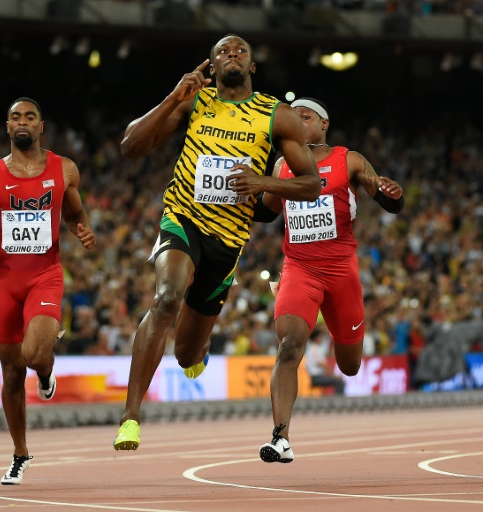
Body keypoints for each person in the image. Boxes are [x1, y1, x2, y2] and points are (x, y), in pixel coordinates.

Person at [113, 34, 321, 451]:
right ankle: (130, 417)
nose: (232, 55)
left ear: (252, 66)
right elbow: (130, 147)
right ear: (211, 64)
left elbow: (312, 183)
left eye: (240, 50)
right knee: (167, 297)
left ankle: (200, 346)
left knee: (187, 355)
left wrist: (262, 181)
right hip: (183, 218)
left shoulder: (276, 115)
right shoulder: (194, 101)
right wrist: (173, 98)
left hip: (228, 240)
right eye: (223, 51)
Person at [257, 96, 404, 463]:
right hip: (299, 268)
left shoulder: (348, 159)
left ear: (324, 123)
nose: (297, 122)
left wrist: (393, 197)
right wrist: (243, 191)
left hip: (341, 271)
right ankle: (281, 438)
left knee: (350, 365)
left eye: (305, 117)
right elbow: (265, 212)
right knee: (289, 345)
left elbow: (386, 199)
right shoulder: (283, 166)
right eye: (292, 118)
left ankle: (347, 339)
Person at [0, 97, 95, 484]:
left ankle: (47, 370)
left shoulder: (64, 169)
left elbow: (74, 212)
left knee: (33, 353)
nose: (23, 122)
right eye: (15, 117)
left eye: (30, 117)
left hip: (44, 276)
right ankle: (20, 453)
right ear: (7, 127)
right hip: (5, 282)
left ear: (41, 126)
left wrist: (81, 228)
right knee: (12, 373)